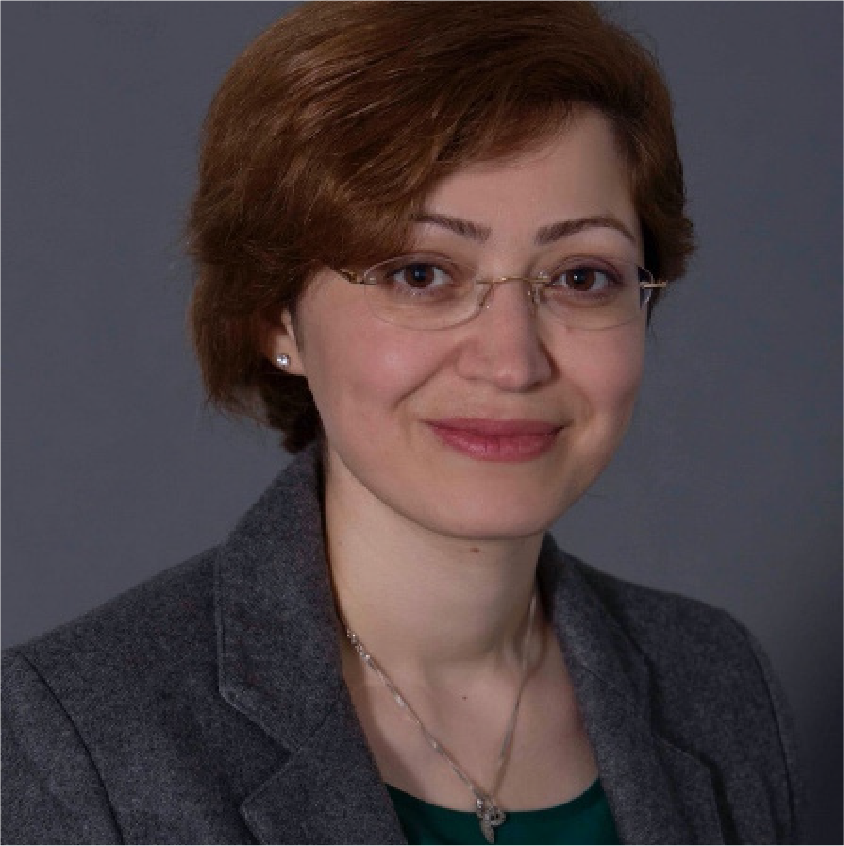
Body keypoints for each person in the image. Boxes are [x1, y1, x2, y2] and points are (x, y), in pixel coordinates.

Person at [2, 2, 803, 844]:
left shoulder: (718, 684)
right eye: (422, 273)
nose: (512, 361)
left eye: (578, 278)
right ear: (278, 317)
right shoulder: (80, 741)